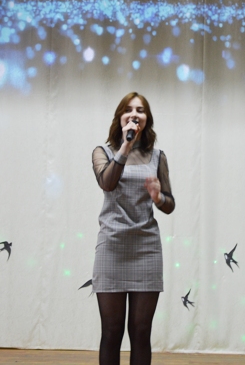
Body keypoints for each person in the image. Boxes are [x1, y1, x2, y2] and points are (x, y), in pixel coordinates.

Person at [91, 92, 175, 365]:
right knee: (112, 331)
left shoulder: (157, 156)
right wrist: (125, 146)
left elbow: (170, 204)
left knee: (140, 332)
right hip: (111, 247)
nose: (134, 114)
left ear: (147, 118)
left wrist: (158, 197)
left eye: (140, 110)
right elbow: (107, 183)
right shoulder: (103, 152)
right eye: (129, 109)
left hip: (146, 248)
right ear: (120, 117)